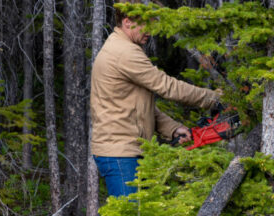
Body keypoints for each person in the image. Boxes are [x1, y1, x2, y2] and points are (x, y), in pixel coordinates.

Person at [90, 0, 220, 198]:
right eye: (146, 24)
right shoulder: (124, 53)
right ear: (127, 22)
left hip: (126, 150)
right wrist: (214, 98)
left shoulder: (121, 46)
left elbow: (136, 105)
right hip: (121, 152)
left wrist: (172, 128)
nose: (150, 31)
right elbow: (168, 87)